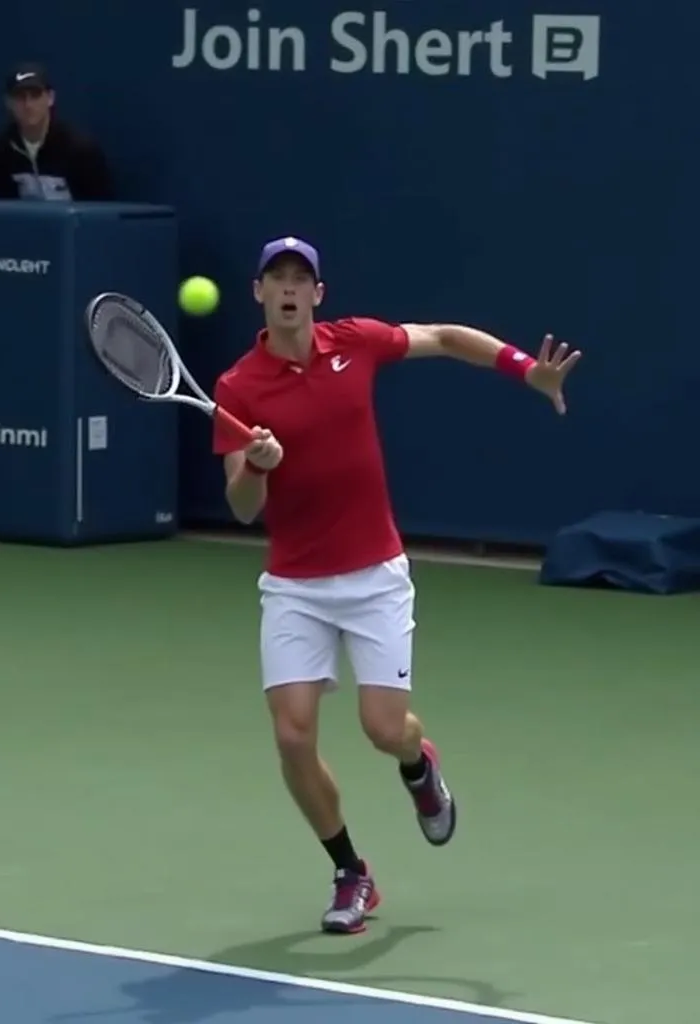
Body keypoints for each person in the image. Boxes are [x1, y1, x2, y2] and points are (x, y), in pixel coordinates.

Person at [212, 237, 581, 935]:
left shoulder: (358, 343)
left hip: (375, 577)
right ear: (259, 293)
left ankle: (419, 764)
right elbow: (241, 507)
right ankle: (351, 871)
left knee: (384, 729)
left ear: (318, 295)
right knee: (292, 738)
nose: (288, 289)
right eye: (276, 279)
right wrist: (256, 464)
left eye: (301, 279)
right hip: (294, 584)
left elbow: (443, 336)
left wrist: (526, 369)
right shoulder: (237, 388)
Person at [0, 63, 115, 201]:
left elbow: (100, 209)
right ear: (8, 102)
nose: (28, 105)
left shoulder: (80, 149)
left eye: (35, 95)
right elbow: (2, 210)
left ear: (50, 98)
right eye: (20, 97)